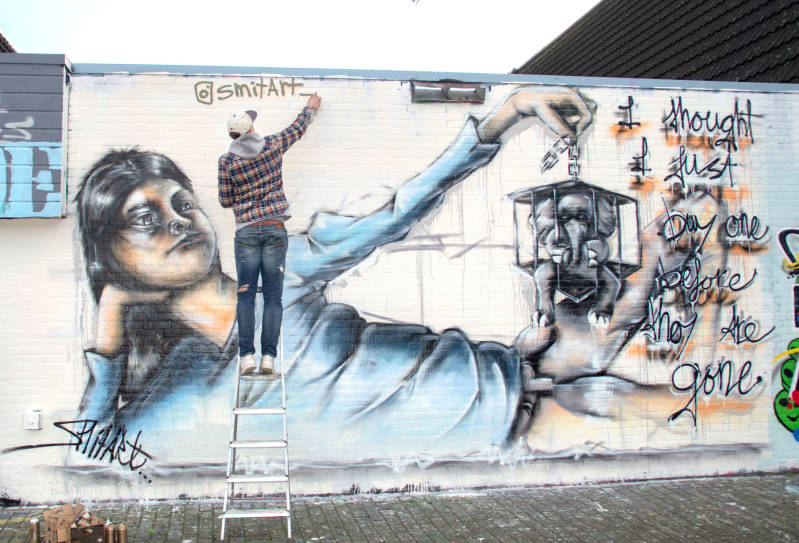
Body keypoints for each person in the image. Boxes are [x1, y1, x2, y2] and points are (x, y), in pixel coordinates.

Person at [218, 93, 322, 376]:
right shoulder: (272, 146)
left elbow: (225, 200)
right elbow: (297, 129)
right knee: (273, 297)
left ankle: (246, 357)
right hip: (274, 228)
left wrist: (244, 192)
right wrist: (310, 108)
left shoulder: (227, 162)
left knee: (246, 295)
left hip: (246, 232)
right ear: (251, 128)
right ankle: (268, 358)